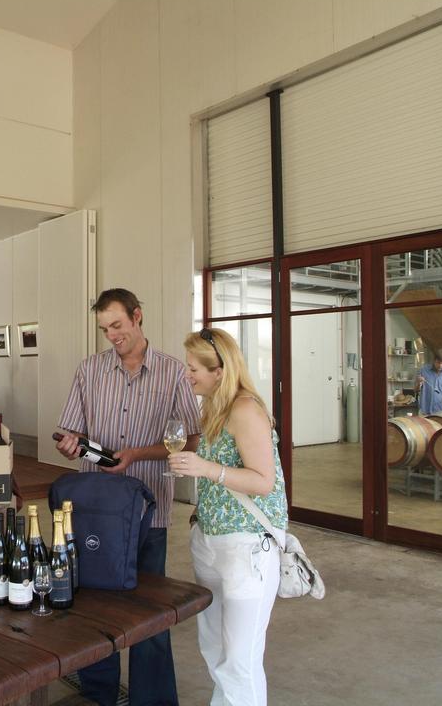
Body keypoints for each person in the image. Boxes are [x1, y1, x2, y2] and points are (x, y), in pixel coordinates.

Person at [55, 288, 201, 706]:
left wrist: (137, 454)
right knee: (94, 609)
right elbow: (73, 430)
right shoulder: (89, 370)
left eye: (117, 325)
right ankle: (97, 695)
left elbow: (189, 440)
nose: (112, 336)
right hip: (96, 511)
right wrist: (72, 444)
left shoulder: (174, 372)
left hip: (148, 510)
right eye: (104, 329)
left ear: (138, 316)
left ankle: (152, 700)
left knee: (150, 615)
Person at [167, 328, 287, 706]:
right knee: (215, 649)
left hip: (246, 547)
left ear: (219, 371)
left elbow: (263, 481)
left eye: (193, 369)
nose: (187, 375)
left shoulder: (245, 409)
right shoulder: (214, 407)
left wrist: (204, 468)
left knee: (239, 662)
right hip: (211, 541)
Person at [415, 347, 442, 415]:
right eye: (438, 362)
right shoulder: (424, 371)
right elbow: (416, 390)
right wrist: (418, 383)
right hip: (425, 412)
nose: (440, 365)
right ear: (434, 360)